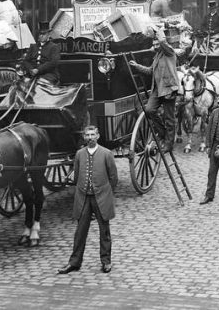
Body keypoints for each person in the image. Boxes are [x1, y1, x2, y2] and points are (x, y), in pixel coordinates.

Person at [58, 125, 117, 275]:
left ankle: (106, 261)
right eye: (87, 135)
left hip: (101, 197)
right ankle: (74, 262)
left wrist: (106, 193)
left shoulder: (106, 154)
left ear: (98, 136)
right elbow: (77, 176)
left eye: (93, 135)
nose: (90, 138)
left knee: (104, 231)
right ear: (84, 137)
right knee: (80, 231)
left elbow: (113, 178)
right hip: (83, 197)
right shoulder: (79, 154)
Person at [129, 28, 181, 152]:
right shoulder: (157, 56)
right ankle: (163, 133)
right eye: (154, 45)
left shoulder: (169, 52)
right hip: (157, 89)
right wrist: (137, 66)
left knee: (169, 119)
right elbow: (150, 71)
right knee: (149, 110)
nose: (156, 46)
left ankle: (169, 144)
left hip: (168, 89)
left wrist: (158, 31)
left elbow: (163, 42)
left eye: (158, 44)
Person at [20, 21, 62, 88]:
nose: (41, 36)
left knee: (40, 84)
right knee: (21, 85)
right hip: (32, 74)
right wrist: (31, 69)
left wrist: (38, 70)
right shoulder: (33, 46)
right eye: (40, 34)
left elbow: (53, 62)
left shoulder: (54, 47)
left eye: (43, 34)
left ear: (49, 35)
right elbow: (26, 61)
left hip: (49, 74)